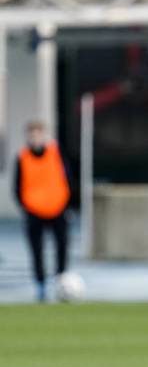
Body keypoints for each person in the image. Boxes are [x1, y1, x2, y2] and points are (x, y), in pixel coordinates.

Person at [14, 121, 71, 302]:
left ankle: (61, 281)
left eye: (39, 133)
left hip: (57, 209)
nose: (36, 138)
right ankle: (40, 286)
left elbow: (67, 177)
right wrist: (26, 206)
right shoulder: (22, 158)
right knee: (37, 250)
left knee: (61, 246)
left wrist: (66, 201)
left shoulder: (56, 153)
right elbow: (17, 186)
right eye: (32, 134)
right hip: (34, 211)